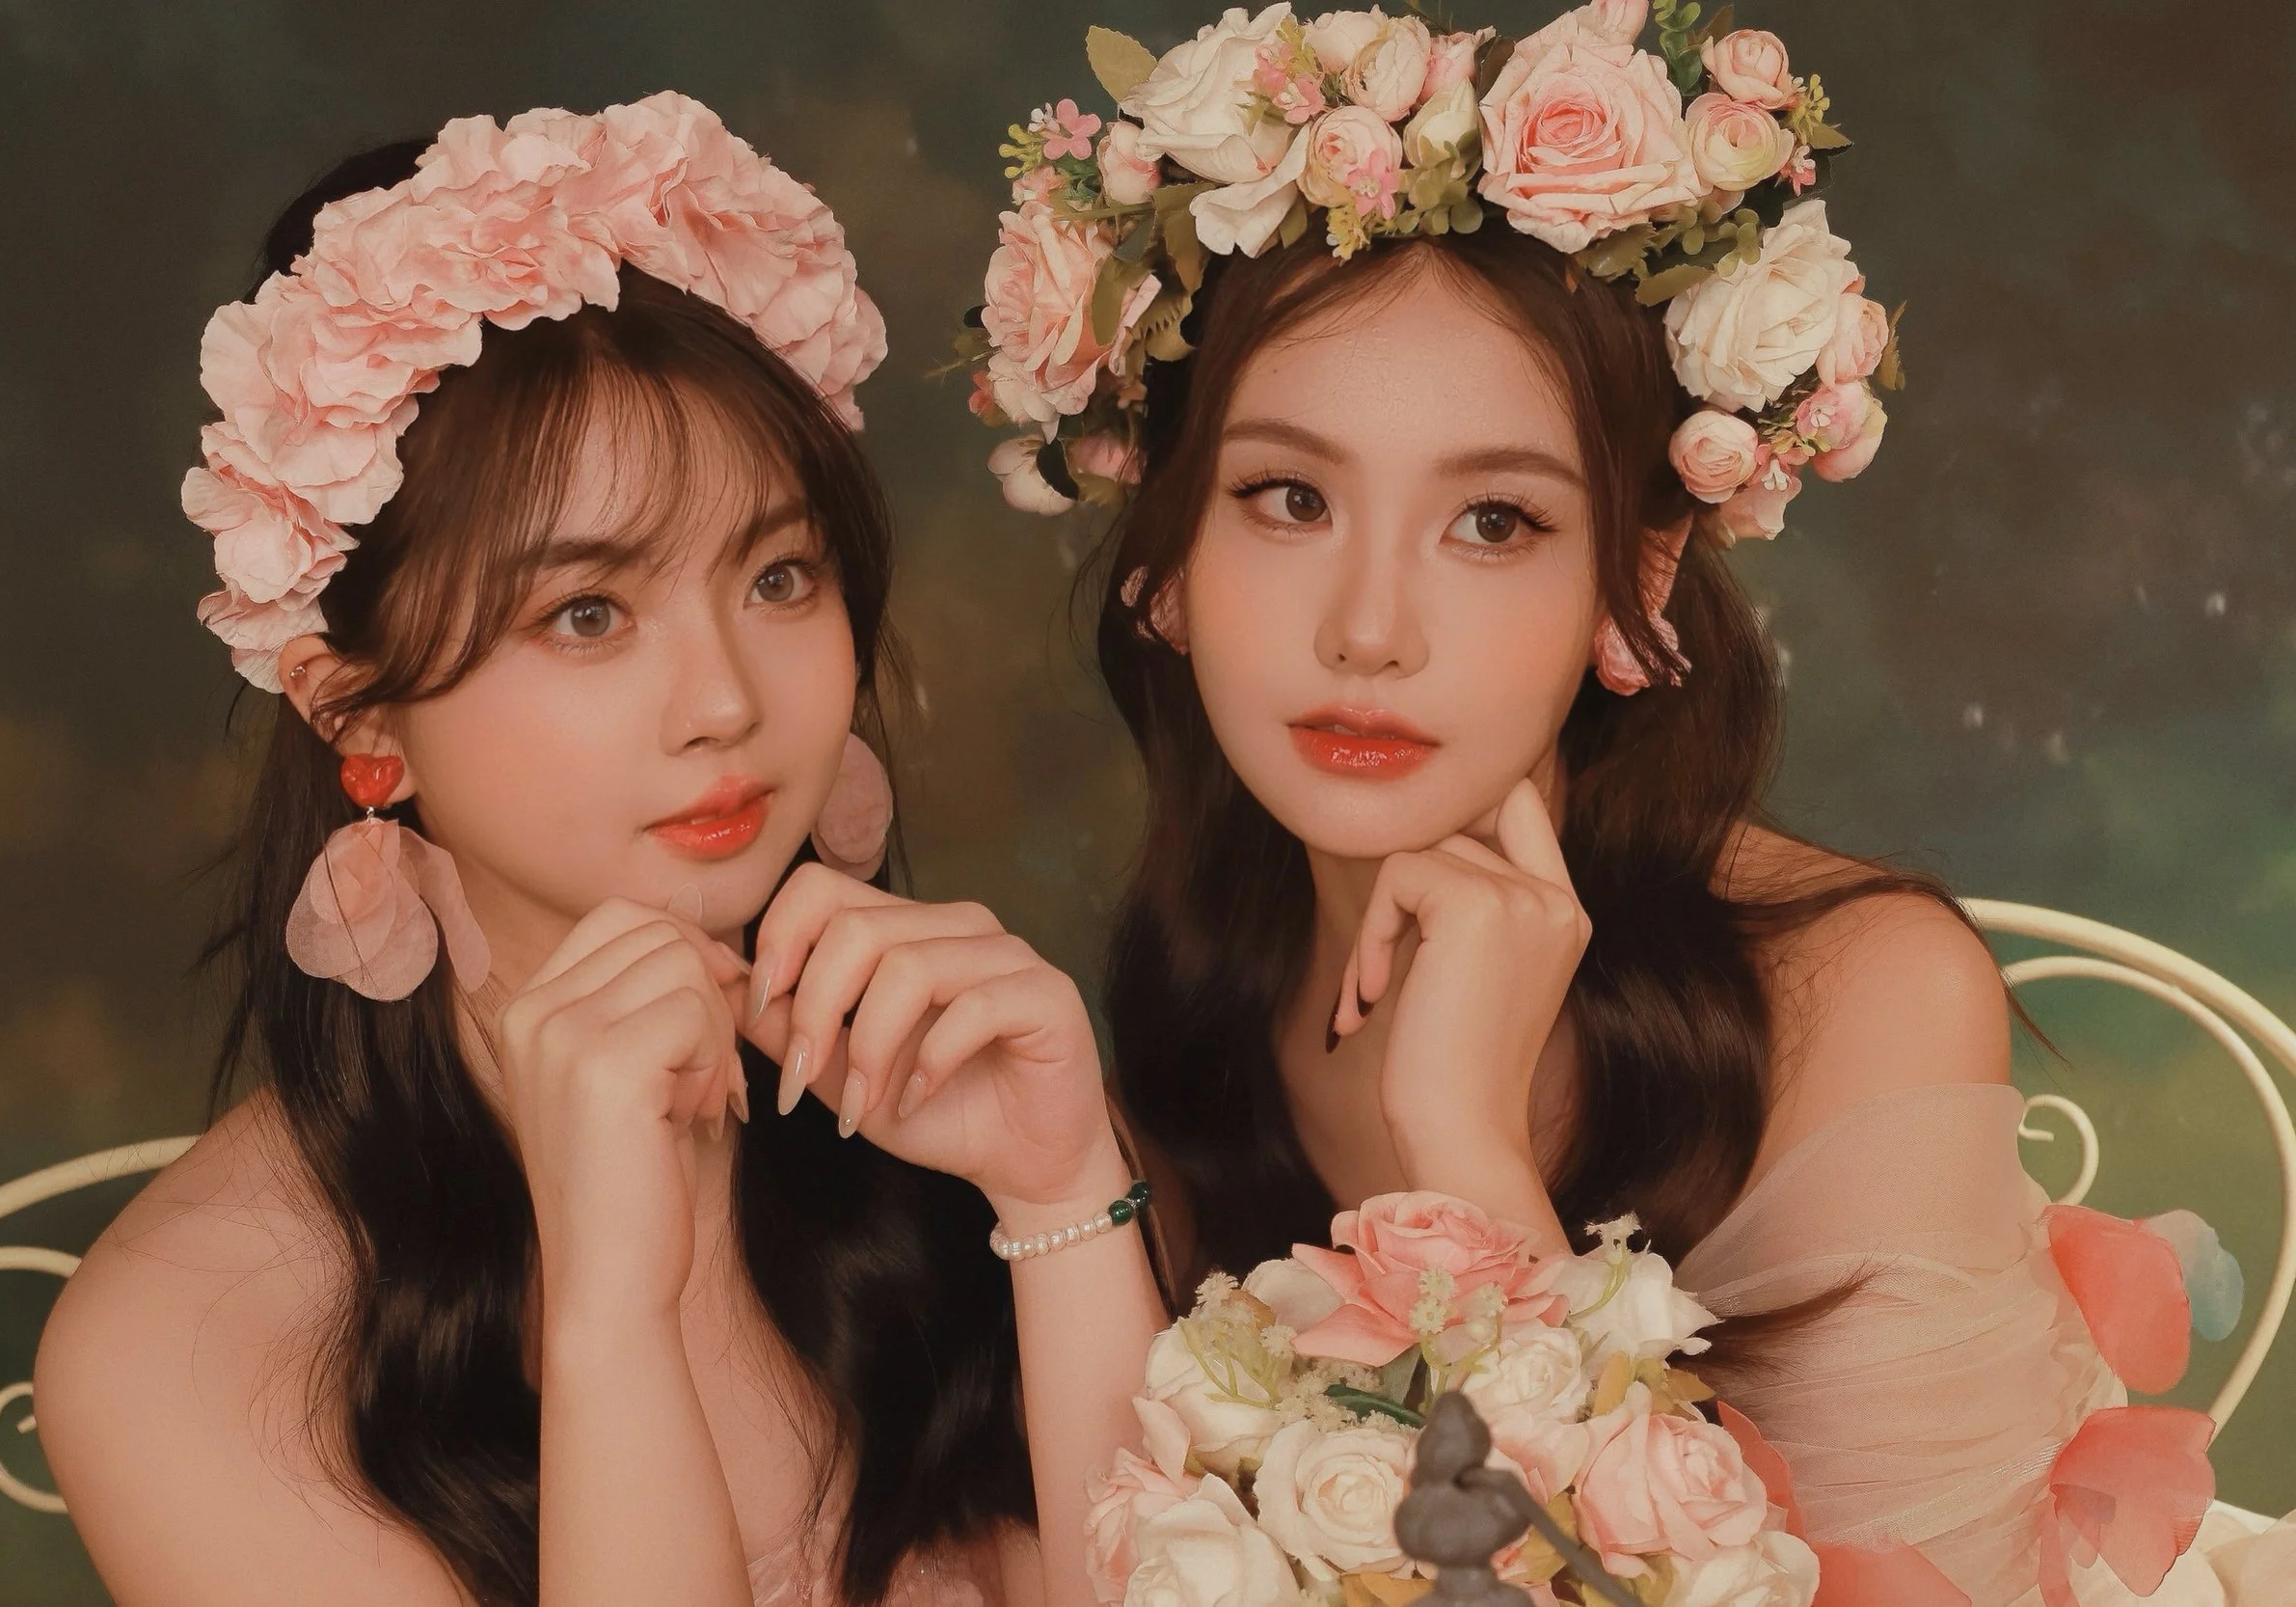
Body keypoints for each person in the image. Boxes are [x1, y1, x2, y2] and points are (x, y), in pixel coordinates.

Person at [958, 6, 2242, 1601]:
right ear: (1162, 564)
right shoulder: (1195, 995)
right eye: (1288, 498)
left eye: (1493, 521)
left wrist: (1470, 1157)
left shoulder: (1862, 997)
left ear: (1633, 587)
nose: (1371, 627)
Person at [35, 95, 1164, 1607]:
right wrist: (608, 1319)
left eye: (778, 576)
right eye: (587, 613)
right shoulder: (185, 1338)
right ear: (358, 714)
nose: (726, 703)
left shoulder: (946, 1105)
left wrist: (1062, 1198)